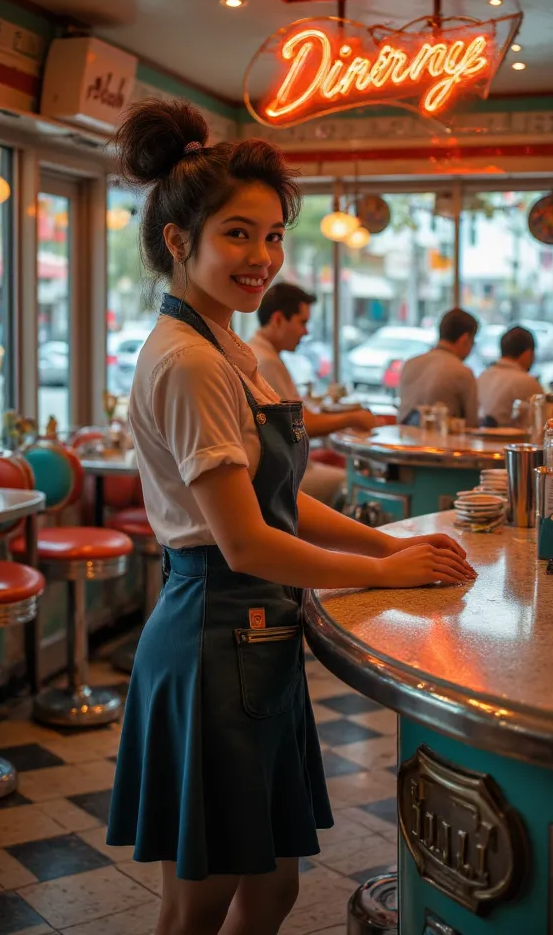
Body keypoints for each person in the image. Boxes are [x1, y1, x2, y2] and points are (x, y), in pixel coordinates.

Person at [105, 98, 476, 935]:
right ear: (179, 241)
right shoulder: (191, 361)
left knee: (270, 891)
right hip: (213, 638)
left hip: (253, 638)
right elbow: (243, 539)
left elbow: (280, 501)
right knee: (195, 906)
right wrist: (382, 572)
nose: (262, 257)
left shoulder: (229, 346)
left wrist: (388, 543)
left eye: (273, 235)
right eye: (238, 233)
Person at [249, 282, 377, 506]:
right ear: (278, 319)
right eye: (302, 323)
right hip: (277, 476)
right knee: (355, 483)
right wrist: (354, 418)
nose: (306, 332)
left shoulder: (264, 353)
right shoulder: (265, 361)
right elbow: (300, 424)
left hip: (285, 464)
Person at [397, 308, 479, 426]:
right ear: (465, 339)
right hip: (441, 443)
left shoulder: (410, 363)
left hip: (405, 442)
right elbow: (472, 426)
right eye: (473, 342)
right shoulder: (462, 372)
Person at [477, 326, 544, 427]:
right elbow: (542, 424)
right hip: (506, 442)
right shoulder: (526, 381)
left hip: (477, 441)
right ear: (528, 353)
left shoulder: (483, 375)